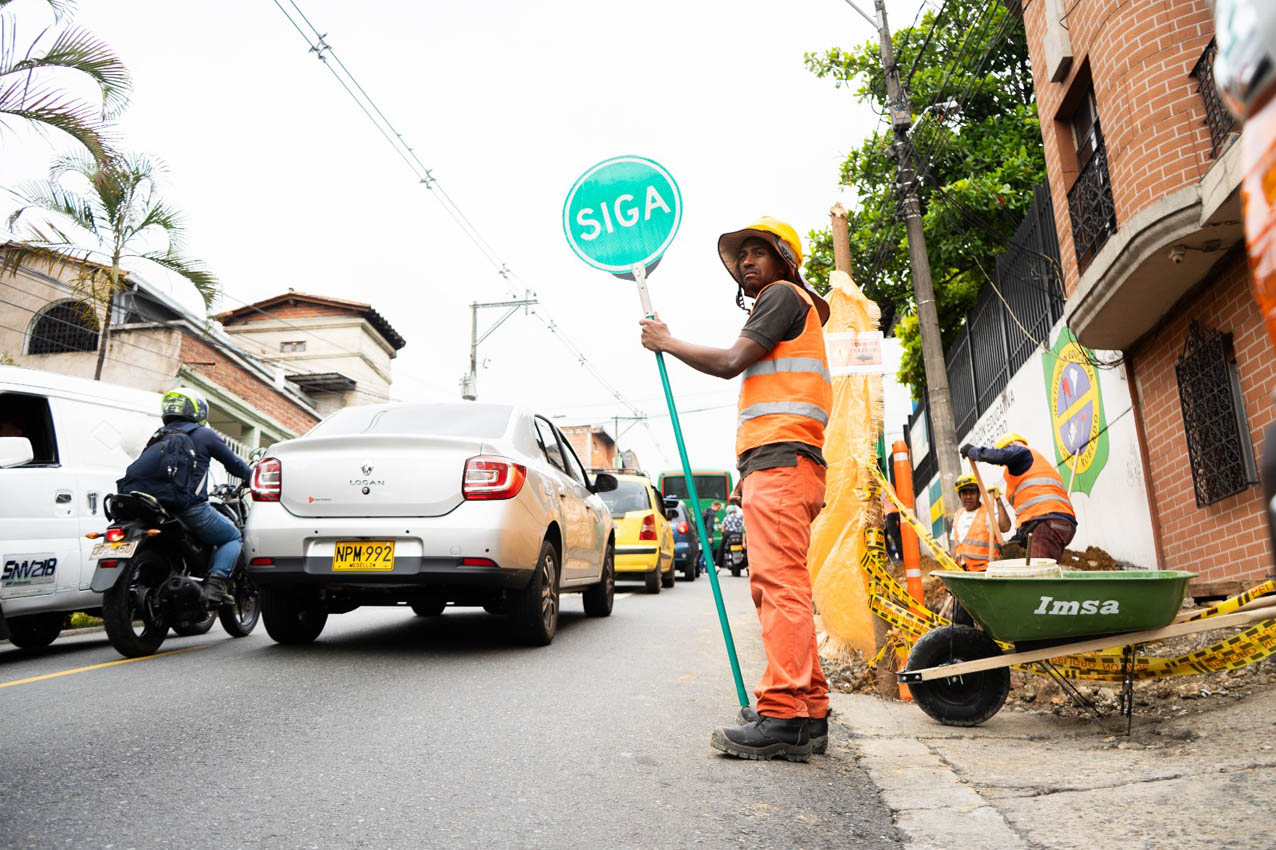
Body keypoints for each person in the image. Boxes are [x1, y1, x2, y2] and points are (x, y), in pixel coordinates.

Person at [640, 216, 831, 762]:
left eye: (758, 251)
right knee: (781, 585)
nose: (747, 261)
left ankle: (785, 716)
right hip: (781, 466)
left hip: (781, 463)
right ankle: (809, 710)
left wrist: (666, 341)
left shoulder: (781, 296)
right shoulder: (794, 307)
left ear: (784, 260)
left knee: (779, 588)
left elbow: (728, 363)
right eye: (741, 254)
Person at [151, 389, 253, 605]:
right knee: (232, 537)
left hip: (155, 506)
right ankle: (215, 585)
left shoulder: (158, 435)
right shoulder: (204, 435)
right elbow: (235, 465)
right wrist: (253, 477)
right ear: (197, 411)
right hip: (188, 508)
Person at [960, 432, 1076, 562]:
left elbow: (1002, 455)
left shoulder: (1024, 453)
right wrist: (1017, 539)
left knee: (1039, 575)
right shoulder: (1024, 474)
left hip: (1048, 523)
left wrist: (974, 451)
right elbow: (1027, 517)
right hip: (1048, 524)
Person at [951, 474, 1012, 571]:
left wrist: (998, 501)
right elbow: (956, 546)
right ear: (960, 496)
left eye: (972, 493)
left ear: (979, 494)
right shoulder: (958, 515)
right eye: (964, 493)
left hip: (986, 571)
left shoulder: (988, 511)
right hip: (964, 572)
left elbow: (1005, 527)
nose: (968, 497)